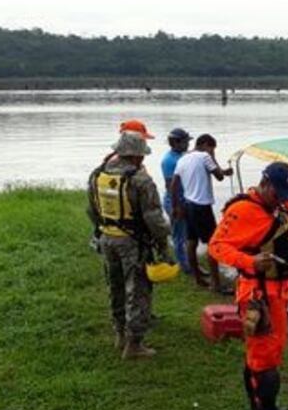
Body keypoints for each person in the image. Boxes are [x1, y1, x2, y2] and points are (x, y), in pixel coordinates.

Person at [208, 162, 288, 410]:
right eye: (277, 194)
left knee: (267, 353)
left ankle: (262, 409)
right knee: (263, 359)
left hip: (279, 291)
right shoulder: (241, 211)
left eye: (285, 196)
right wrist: (248, 260)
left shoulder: (281, 206)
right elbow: (216, 246)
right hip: (258, 293)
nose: (281, 200)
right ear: (265, 184)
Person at [86, 131, 173, 359]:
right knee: (138, 290)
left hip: (107, 239)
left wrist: (102, 231)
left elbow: (91, 211)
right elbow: (154, 219)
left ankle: (120, 334)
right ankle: (134, 343)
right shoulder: (140, 180)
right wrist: (164, 243)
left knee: (114, 285)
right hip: (133, 243)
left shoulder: (97, 175)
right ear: (136, 156)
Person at [172, 133, 234, 293]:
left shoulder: (183, 158)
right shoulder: (205, 156)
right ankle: (216, 284)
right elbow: (219, 177)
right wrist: (212, 157)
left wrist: (175, 207)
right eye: (212, 148)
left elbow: (174, 184)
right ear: (206, 144)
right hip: (202, 207)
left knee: (191, 242)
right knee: (213, 244)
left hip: (188, 204)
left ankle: (198, 279)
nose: (213, 152)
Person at [160, 127, 192, 273]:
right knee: (179, 234)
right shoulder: (169, 160)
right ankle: (185, 267)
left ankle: (187, 261)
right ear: (176, 142)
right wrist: (176, 207)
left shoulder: (180, 156)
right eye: (185, 141)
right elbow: (169, 186)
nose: (188, 144)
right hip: (175, 201)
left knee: (185, 233)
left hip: (182, 200)